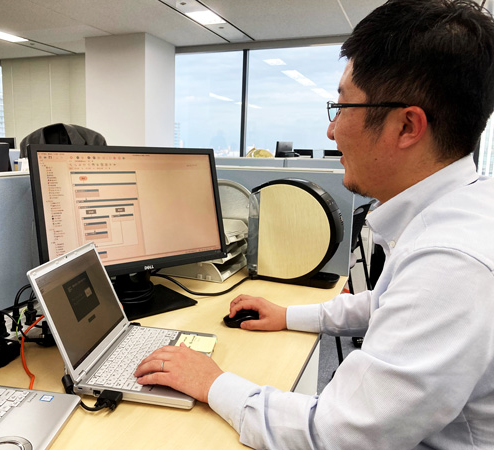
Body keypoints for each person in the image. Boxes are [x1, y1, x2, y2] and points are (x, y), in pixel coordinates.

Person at [135, 0, 494, 448]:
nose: (331, 131)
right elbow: (386, 306)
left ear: (407, 126)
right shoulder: (460, 210)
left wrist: (212, 382)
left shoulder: (451, 261)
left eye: (342, 106)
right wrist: (288, 315)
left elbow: (334, 435)